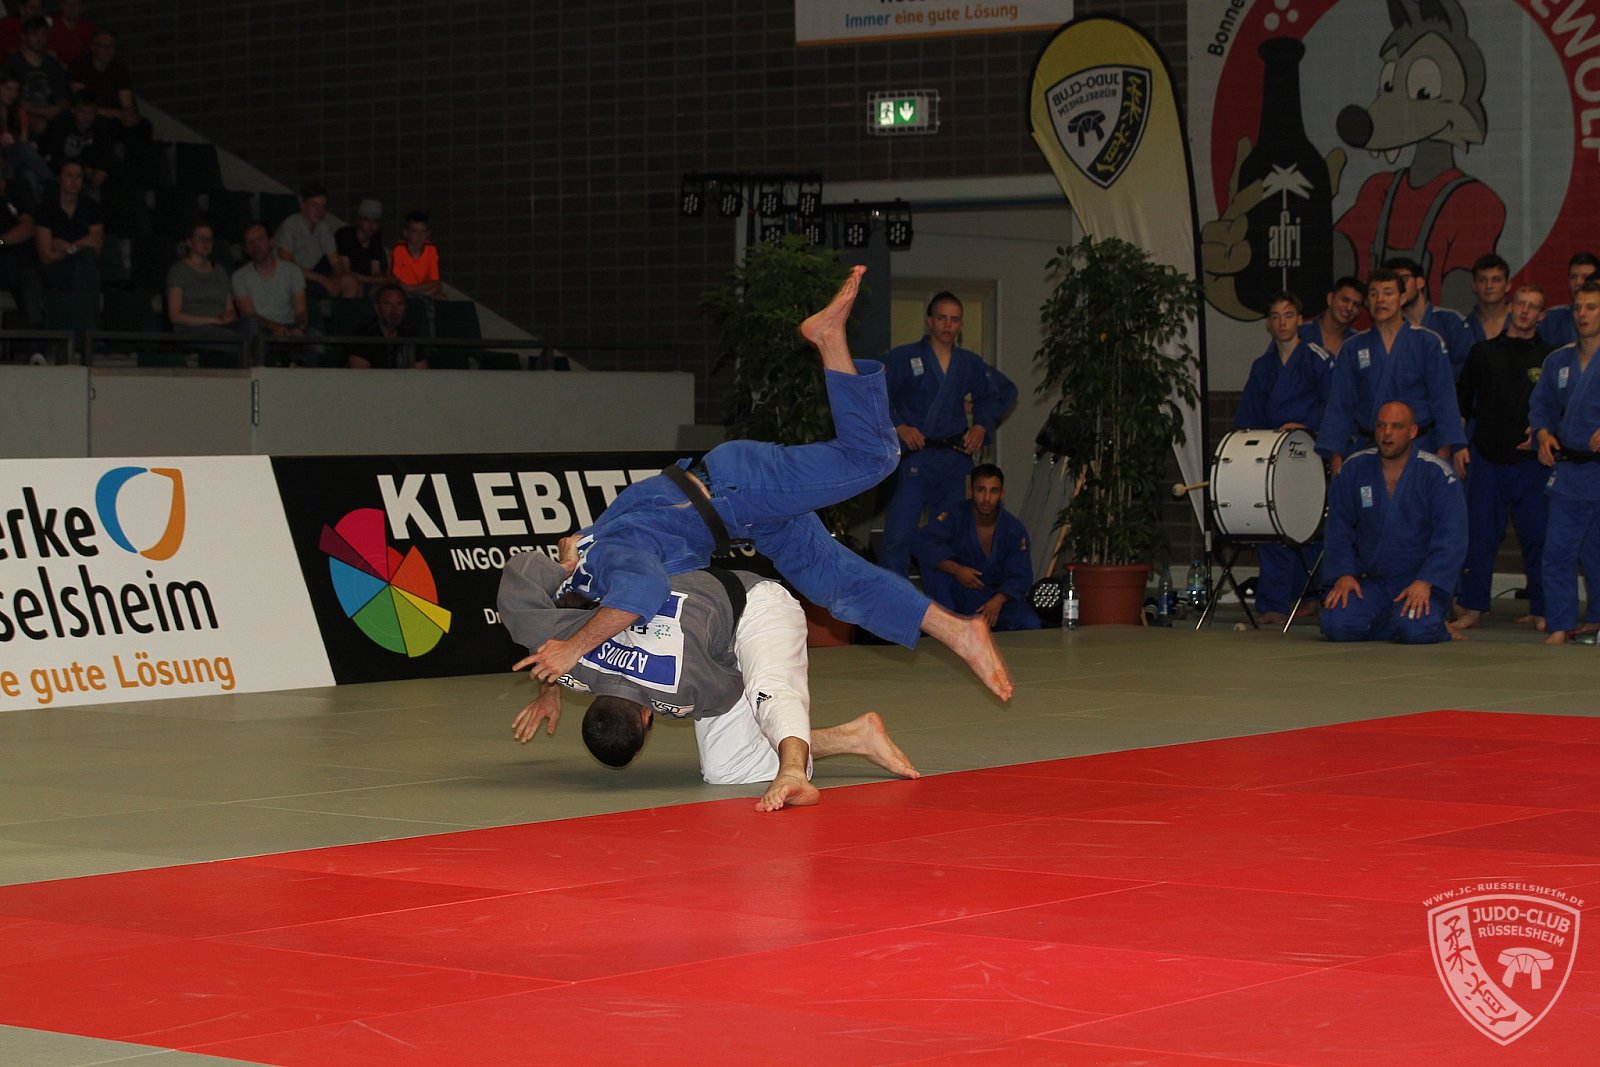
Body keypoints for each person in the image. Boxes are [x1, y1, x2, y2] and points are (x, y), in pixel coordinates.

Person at [520, 266, 1014, 703]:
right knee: (836, 584)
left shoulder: (603, 562)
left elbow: (635, 593)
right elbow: (588, 581)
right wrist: (552, 687)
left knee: (875, 457)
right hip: (746, 516)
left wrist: (572, 648)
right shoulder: (590, 550)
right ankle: (958, 631)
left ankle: (829, 338)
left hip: (737, 487)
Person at [499, 550, 920, 812]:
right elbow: (520, 574)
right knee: (726, 769)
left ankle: (794, 773)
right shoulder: (571, 663)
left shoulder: (683, 690)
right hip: (701, 617)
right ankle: (855, 737)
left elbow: (738, 689)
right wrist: (565, 569)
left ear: (647, 720)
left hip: (754, 605)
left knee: (768, 690)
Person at [879, 291, 1017, 576]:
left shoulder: (969, 363)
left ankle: (944, 602)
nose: (947, 325)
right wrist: (898, 426)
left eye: (954, 319)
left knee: (949, 540)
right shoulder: (904, 357)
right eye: (942, 318)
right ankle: (894, 602)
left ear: (961, 325)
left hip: (952, 461)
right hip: (914, 458)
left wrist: (981, 424)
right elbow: (876, 395)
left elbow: (1001, 393)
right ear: (929, 321)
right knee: (898, 537)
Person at [1321, 400, 1468, 644]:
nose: (1387, 433)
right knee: (1336, 625)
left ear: (1413, 431)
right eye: (1381, 426)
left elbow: (1452, 538)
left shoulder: (1437, 474)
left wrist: (1426, 580)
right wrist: (1344, 574)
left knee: (1416, 630)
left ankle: (1426, 623)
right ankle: (1397, 621)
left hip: (1419, 580)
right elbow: (1338, 528)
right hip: (1371, 582)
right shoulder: (1354, 468)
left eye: (1397, 427)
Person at [1450, 284, 1552, 632]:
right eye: (1520, 304)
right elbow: (1461, 402)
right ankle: (1473, 607)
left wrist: (1545, 432)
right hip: (1487, 459)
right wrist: (1459, 445)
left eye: (1533, 307)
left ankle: (1542, 608)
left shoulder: (1551, 358)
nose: (1525, 311)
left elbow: (1557, 406)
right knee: (1480, 537)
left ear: (1541, 315)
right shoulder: (1483, 352)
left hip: (1532, 464)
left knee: (1537, 537)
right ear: (1511, 307)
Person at [1237, 290, 1334, 622]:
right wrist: (1248, 448)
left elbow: (1335, 404)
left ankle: (1309, 595)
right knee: (1274, 526)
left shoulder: (1317, 358)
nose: (1282, 322)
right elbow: (1249, 416)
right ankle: (1274, 604)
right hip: (1272, 456)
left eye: (1288, 315)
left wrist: (1307, 426)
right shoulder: (1262, 366)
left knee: (1309, 526)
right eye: (1276, 316)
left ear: (1300, 320)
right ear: (1268, 323)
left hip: (1310, 452)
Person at [1316, 268, 1465, 474]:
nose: (1380, 300)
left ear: (1402, 298)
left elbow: (1444, 399)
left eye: (1388, 293)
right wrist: (1336, 455)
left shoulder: (1428, 342)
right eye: (1374, 294)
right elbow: (1340, 405)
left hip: (1420, 446)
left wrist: (1445, 449)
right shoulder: (1352, 347)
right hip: (1369, 447)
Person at [1529, 280, 1600, 645]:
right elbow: (1540, 407)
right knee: (1557, 549)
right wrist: (1543, 435)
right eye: (1578, 307)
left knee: (1596, 553)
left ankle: (1597, 617)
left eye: (1592, 307)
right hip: (1570, 470)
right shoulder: (1557, 360)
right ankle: (1560, 622)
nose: (1583, 314)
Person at [913, 463, 1039, 631]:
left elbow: (1021, 576)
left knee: (1029, 622)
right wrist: (957, 570)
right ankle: (948, 625)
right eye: (980, 490)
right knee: (936, 569)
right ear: (970, 491)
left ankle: (982, 628)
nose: (987, 499)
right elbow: (923, 544)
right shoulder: (954, 516)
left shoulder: (1013, 530)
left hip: (993, 598)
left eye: (993, 491)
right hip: (958, 595)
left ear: (1002, 494)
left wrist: (998, 600)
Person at [31, 155, 98, 329]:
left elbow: (97, 244)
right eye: (69, 175)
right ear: (60, 178)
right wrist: (77, 247)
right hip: (54, 267)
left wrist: (70, 247)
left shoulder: (91, 207)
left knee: (86, 261)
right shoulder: (46, 209)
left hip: (81, 262)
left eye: (78, 176)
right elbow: (46, 256)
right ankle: (87, 328)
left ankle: (85, 328)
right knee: (84, 265)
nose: (74, 181)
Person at [1385, 255, 1475, 378]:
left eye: (1403, 279)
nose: (1399, 287)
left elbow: (1467, 365)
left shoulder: (1451, 321)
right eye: (1392, 285)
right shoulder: (1389, 328)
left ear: (1420, 282)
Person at [232, 219, 307, 346]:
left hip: (289, 326)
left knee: (316, 342)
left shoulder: (293, 271)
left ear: (271, 242)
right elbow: (248, 314)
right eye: (250, 242)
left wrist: (298, 328)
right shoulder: (239, 277)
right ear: (246, 249)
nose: (256, 246)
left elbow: (301, 311)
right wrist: (272, 326)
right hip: (261, 329)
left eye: (260, 239)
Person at [166, 218, 244, 337]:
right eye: (200, 238)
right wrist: (214, 320)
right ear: (189, 242)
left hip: (222, 327)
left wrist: (229, 316)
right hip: (194, 330)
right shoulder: (178, 271)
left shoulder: (220, 271)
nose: (206, 242)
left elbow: (230, 309)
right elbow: (175, 316)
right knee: (229, 337)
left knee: (250, 324)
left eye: (209, 239)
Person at [65, 29, 146, 138]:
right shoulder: (79, 67)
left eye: (112, 46)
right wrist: (116, 113)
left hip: (115, 116)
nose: (109, 50)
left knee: (143, 126)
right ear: (93, 48)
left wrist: (129, 115)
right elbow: (82, 103)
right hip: (91, 116)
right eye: (104, 46)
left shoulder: (119, 69)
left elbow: (127, 102)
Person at [274, 182, 343, 298]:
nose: (320, 211)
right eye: (314, 206)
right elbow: (287, 265)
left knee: (349, 281)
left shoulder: (323, 227)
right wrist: (323, 280)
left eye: (323, 206)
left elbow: (336, 262)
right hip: (284, 278)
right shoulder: (290, 225)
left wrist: (338, 278)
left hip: (308, 276)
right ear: (303, 206)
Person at [6, 16, 66, 137]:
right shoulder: (12, 63)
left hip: (50, 111)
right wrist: (42, 111)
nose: (39, 39)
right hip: (22, 112)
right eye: (34, 34)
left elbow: (63, 98)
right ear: (24, 36)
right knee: (39, 125)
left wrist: (56, 110)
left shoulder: (53, 64)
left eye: (43, 34)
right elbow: (9, 98)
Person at [36, 89, 110, 187]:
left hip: (86, 172)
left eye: (91, 112)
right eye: (82, 111)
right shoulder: (61, 123)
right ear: (73, 110)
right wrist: (82, 168)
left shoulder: (100, 125)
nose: (87, 116)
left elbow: (106, 151)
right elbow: (54, 153)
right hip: (58, 170)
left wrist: (101, 169)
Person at [346, 282, 422, 369]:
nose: (394, 311)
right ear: (377, 307)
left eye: (399, 304)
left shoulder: (410, 334)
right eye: (387, 304)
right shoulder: (363, 334)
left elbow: (423, 372)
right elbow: (359, 374)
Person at [1298, 275, 1365, 354]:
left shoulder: (1359, 342)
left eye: (1356, 305)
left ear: (1359, 311)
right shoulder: (1301, 333)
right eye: (1345, 300)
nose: (1349, 308)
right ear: (1330, 298)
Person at [334, 198, 387, 297]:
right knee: (354, 285)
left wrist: (381, 280)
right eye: (367, 220)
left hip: (364, 280)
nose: (371, 225)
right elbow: (345, 272)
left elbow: (376, 270)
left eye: (375, 221)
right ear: (359, 221)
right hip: (338, 278)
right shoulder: (344, 235)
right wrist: (376, 279)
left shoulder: (376, 237)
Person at [390, 209, 445, 298]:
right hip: (403, 291)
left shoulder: (431, 249)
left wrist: (412, 289)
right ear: (406, 233)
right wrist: (406, 289)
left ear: (428, 233)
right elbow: (394, 278)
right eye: (415, 231)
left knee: (440, 291)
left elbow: (435, 280)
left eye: (423, 231)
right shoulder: (399, 249)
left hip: (422, 289)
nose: (420, 236)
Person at [1464, 253, 1511, 344]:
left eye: (1496, 280)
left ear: (1507, 285)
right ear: (1474, 286)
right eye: (1482, 280)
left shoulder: (1522, 322)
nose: (1489, 286)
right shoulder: (1463, 327)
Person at [45, 0, 95, 67]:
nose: (71, 7)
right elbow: (51, 57)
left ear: (83, 7)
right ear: (61, 5)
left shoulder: (89, 28)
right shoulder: (51, 25)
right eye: (67, 3)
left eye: (75, 4)